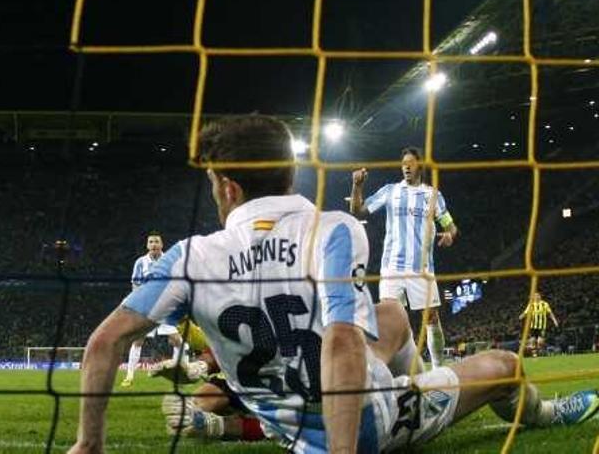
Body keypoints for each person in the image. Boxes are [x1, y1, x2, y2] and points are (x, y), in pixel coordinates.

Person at [67, 115, 598, 453]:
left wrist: (89, 444)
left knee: (390, 314)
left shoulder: (189, 256)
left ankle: (416, 380)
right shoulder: (333, 229)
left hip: (285, 412)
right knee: (505, 367)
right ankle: (543, 412)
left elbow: (103, 343)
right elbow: (341, 340)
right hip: (361, 427)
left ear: (227, 188)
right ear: (289, 176)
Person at [349, 147, 457, 369]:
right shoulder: (390, 191)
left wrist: (449, 235)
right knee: (389, 320)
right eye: (403, 163)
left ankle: (438, 369)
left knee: (431, 318)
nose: (406, 166)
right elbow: (358, 211)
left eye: (411, 162)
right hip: (392, 268)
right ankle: (386, 371)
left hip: (421, 268)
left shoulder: (432, 195)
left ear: (419, 166)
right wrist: (357, 185)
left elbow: (450, 226)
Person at [121, 231, 186, 387]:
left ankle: (179, 373)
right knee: (138, 340)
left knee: (177, 341)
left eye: (157, 241)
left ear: (161, 245)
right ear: (147, 245)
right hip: (146, 308)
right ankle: (129, 376)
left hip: (165, 307)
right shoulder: (140, 262)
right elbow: (135, 284)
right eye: (151, 242)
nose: (154, 244)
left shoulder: (170, 260)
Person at [519, 292, 559, 357]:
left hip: (542, 326)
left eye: (538, 296)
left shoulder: (544, 304)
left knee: (540, 342)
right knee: (533, 340)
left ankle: (537, 350)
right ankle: (534, 354)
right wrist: (521, 316)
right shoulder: (531, 305)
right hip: (533, 326)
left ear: (540, 297)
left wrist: (554, 320)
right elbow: (526, 312)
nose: (536, 297)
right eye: (535, 296)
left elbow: (550, 313)